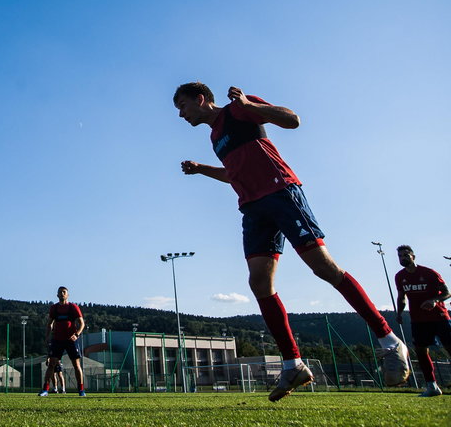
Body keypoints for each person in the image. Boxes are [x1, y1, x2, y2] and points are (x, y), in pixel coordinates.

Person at [173, 83, 409, 401]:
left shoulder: (239, 108)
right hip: (253, 209)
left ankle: (389, 340)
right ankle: (293, 365)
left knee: (323, 268)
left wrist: (250, 104)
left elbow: (291, 119)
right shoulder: (215, 137)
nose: (181, 114)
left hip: (280, 193)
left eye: (183, 106)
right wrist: (203, 170)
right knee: (259, 282)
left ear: (201, 99)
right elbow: (234, 173)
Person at [395, 245, 451, 397]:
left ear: (413, 256)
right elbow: (402, 297)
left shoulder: (429, 273)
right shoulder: (400, 276)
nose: (403, 258)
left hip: (439, 317)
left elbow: (447, 292)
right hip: (418, 320)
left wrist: (434, 300)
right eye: (400, 256)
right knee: (420, 351)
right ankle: (432, 386)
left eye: (406, 255)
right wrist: (399, 313)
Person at [38, 286, 86, 397]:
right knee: (51, 364)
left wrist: (76, 334)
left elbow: (82, 323)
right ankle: (45, 390)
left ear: (67, 295)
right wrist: (47, 336)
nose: (62, 294)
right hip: (57, 340)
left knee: (76, 364)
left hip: (71, 340)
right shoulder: (54, 308)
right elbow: (49, 323)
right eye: (60, 292)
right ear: (57, 295)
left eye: (64, 292)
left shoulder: (73, 307)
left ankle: (81, 390)